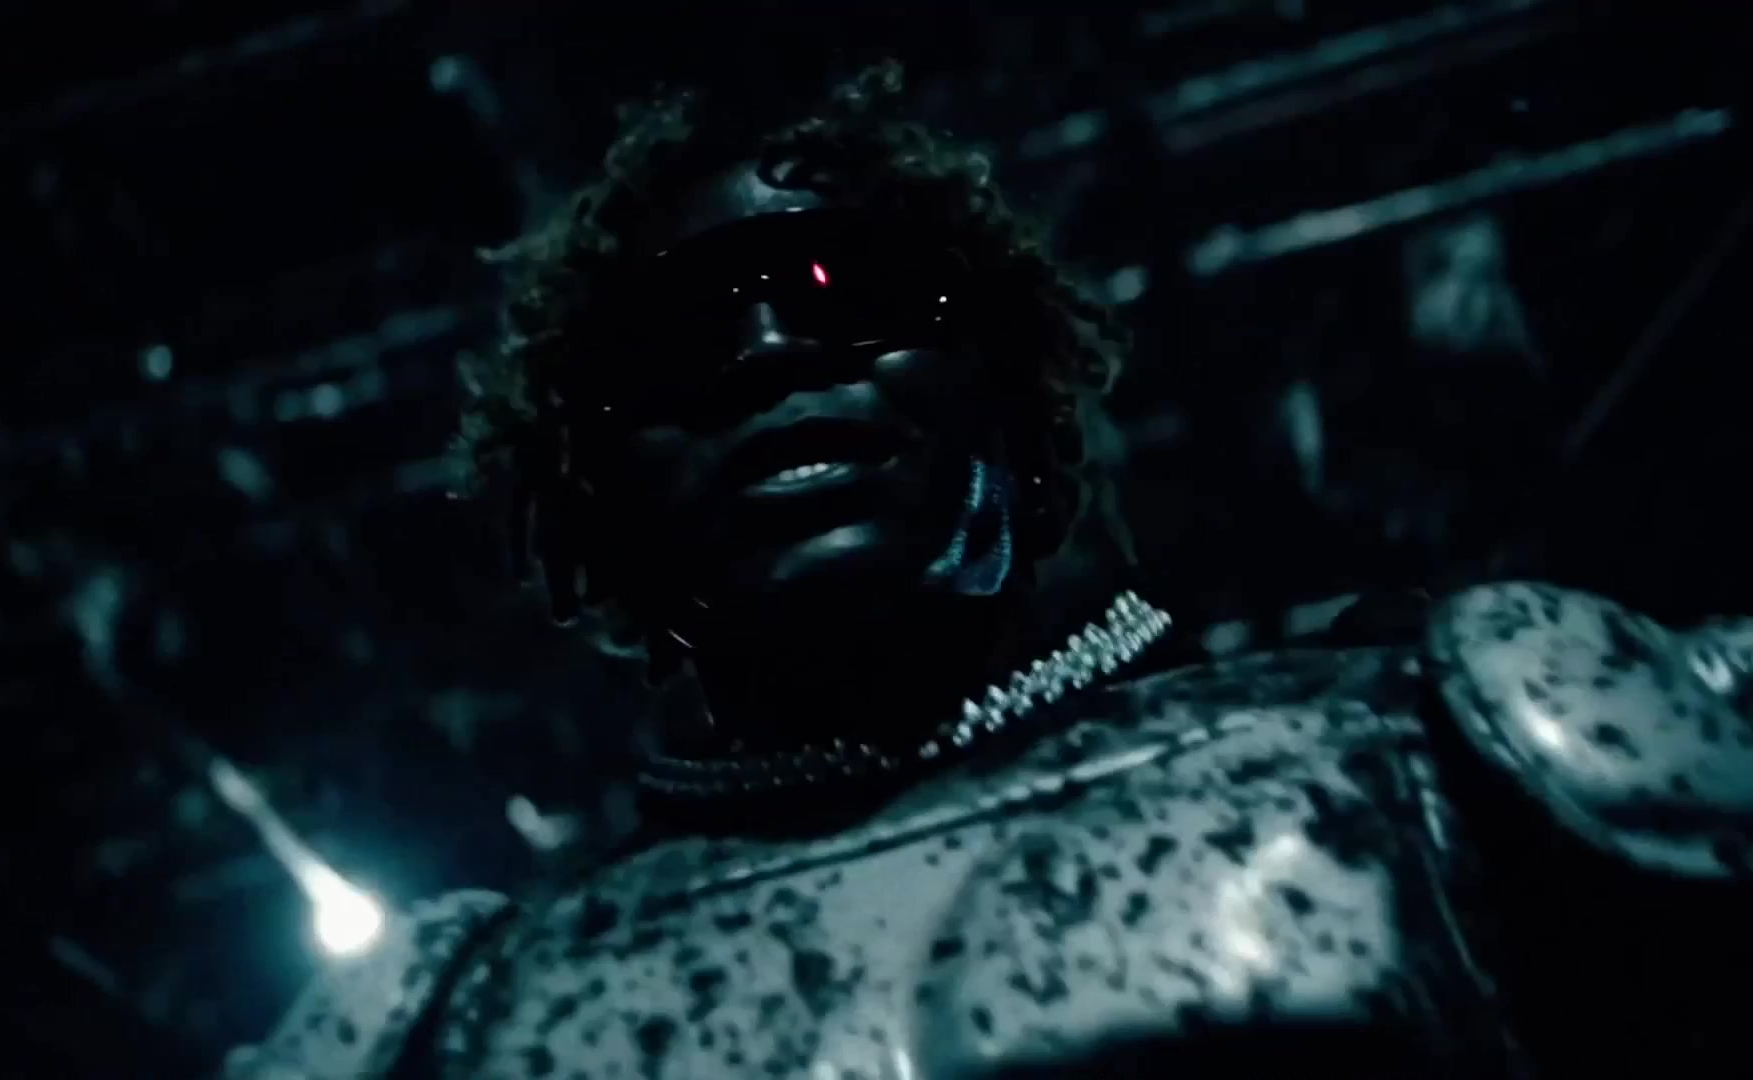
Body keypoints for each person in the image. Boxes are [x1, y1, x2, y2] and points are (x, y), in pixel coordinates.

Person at [229, 64, 1753, 1079]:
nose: (769, 348)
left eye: (848, 289)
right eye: (673, 342)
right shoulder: (445, 1028)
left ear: (1009, 394)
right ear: (592, 504)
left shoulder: (1455, 745)